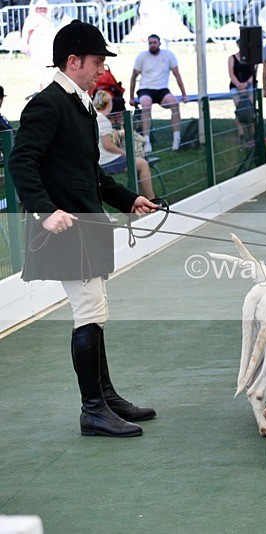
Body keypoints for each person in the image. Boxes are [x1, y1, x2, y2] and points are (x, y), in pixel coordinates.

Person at [8, 20, 159, 438]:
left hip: (85, 225)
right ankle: (93, 410)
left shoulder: (81, 104)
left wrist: (129, 199)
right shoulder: (48, 103)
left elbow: (90, 176)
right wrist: (44, 211)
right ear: (72, 61)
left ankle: (105, 397)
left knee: (96, 308)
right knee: (89, 311)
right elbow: (20, 162)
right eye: (95, 62)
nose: (100, 70)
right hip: (62, 228)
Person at [129, 34, 188, 153]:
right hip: (146, 89)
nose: (152, 45)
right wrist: (131, 97)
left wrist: (184, 94)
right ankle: (146, 141)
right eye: (150, 43)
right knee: (146, 105)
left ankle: (177, 139)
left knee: (175, 104)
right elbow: (133, 77)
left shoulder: (168, 55)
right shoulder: (142, 56)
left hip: (162, 90)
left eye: (154, 42)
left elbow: (177, 75)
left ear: (159, 43)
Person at [93, 90, 156, 199]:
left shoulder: (94, 115)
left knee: (138, 164)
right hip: (105, 160)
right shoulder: (103, 120)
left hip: (97, 159)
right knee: (143, 164)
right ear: (109, 104)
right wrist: (125, 153)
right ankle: (152, 198)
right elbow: (108, 145)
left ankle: (141, 197)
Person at [21, 0, 57, 96]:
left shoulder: (49, 19)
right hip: (37, 49)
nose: (42, 10)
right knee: (39, 71)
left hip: (48, 49)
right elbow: (26, 33)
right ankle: (43, 91)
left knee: (49, 70)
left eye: (44, 8)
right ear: (36, 9)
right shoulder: (32, 18)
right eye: (40, 8)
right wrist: (24, 45)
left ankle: (48, 90)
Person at [229, 38, 258, 146]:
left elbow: (254, 72)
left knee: (249, 111)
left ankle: (252, 136)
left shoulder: (252, 58)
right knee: (240, 111)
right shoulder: (232, 58)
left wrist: (246, 84)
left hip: (249, 86)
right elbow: (231, 74)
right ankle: (242, 135)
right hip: (236, 87)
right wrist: (239, 85)